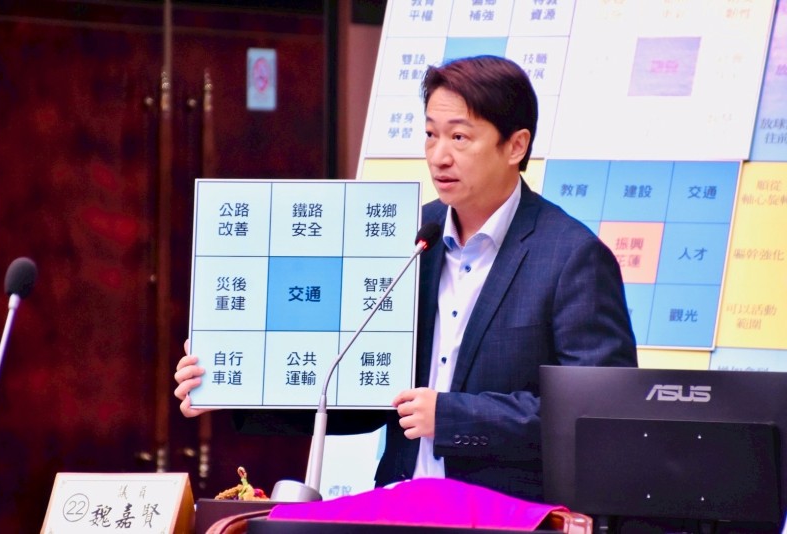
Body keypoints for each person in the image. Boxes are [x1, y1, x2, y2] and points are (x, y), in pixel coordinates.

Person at [174, 54, 637, 502]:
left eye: (459, 137)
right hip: (398, 504)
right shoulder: (410, 237)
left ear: (515, 146)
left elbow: (597, 415)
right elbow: (363, 393)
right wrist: (236, 387)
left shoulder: (571, 257)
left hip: (507, 513)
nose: (439, 156)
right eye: (431, 135)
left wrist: (452, 416)